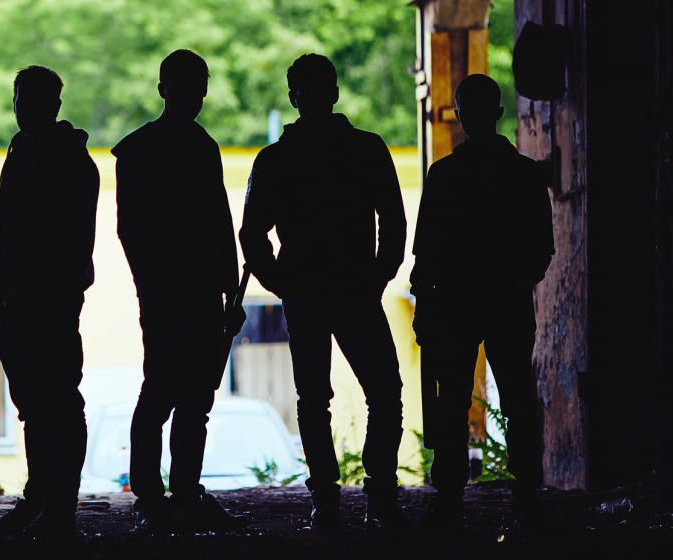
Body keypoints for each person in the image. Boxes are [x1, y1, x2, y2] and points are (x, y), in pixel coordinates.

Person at [239, 53, 406, 531]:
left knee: (315, 397)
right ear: (334, 92)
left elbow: (252, 234)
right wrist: (378, 275)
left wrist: (280, 281)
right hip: (354, 289)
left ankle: (327, 500)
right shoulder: (367, 149)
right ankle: (379, 493)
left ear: (295, 98)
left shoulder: (276, 160)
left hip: (309, 292)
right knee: (384, 391)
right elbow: (392, 221)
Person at [411, 73, 553, 530]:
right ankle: (527, 493)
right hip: (507, 302)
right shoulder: (526, 175)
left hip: (456, 304)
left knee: (452, 401)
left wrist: (429, 304)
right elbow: (541, 249)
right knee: (517, 400)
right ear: (498, 114)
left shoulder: (445, 175)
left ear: (461, 117)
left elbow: (426, 254)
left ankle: (450, 497)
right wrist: (512, 282)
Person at [113, 49, 243, 533]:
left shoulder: (145, 148)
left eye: (199, 85)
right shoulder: (187, 147)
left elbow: (216, 222)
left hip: (184, 292)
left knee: (180, 396)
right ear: (165, 89)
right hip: (180, 293)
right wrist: (224, 290)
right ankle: (167, 493)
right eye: (192, 85)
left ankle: (166, 494)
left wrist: (228, 291)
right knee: (175, 395)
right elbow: (140, 230)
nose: (197, 95)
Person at [0, 66, 100, 538]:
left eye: (29, 98)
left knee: (54, 402)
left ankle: (56, 506)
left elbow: (43, 238)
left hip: (44, 299)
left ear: (52, 104)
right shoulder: (38, 152)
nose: (22, 107)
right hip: (25, 298)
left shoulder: (58, 159)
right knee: (40, 403)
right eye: (20, 98)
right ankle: (45, 501)